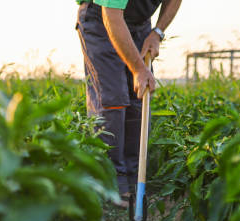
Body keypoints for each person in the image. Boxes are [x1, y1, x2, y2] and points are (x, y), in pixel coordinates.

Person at [75, 0, 182, 207]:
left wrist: (157, 32)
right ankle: (111, 183)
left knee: (139, 98)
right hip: (101, 18)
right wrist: (138, 69)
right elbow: (112, 17)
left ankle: (134, 181)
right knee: (112, 98)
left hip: (140, 23)